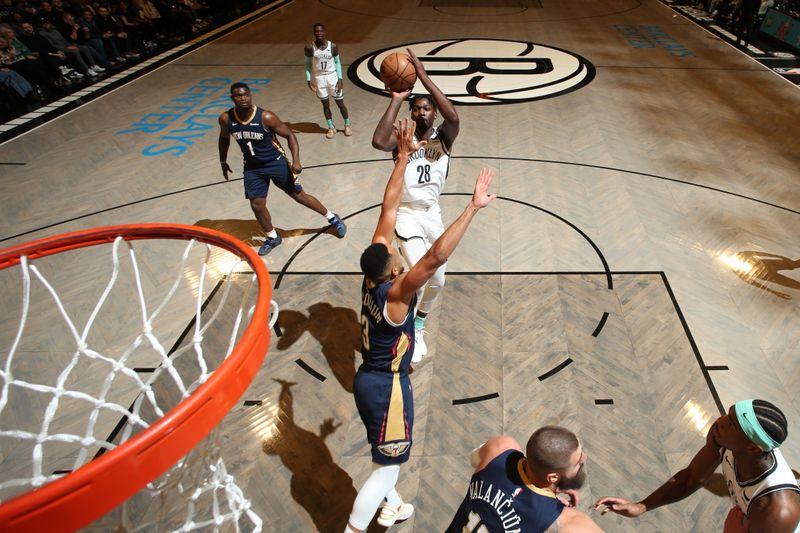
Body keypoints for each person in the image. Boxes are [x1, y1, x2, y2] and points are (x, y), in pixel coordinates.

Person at [346, 118, 495, 533]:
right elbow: (433, 258)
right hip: (387, 387)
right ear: (392, 266)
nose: (395, 250)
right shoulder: (396, 294)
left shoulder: (372, 270)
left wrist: (402, 159)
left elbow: (388, 208)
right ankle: (354, 529)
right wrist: (472, 208)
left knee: (384, 458)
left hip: (366, 379)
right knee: (387, 470)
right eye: (395, 252)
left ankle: (392, 507)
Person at [371, 48, 459, 363]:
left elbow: (454, 116)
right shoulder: (403, 138)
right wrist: (396, 98)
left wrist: (423, 76)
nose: (422, 112)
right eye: (417, 108)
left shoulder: (443, 139)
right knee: (424, 278)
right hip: (406, 215)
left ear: (433, 113)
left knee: (439, 281)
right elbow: (379, 142)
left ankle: (419, 319)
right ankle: (408, 327)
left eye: (426, 108)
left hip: (432, 215)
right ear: (411, 114)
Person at [595, 399, 800, 532]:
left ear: (753, 449)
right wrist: (641, 506)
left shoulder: (778, 510)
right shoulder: (726, 440)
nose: (720, 421)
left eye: (731, 424)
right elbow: (690, 479)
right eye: (728, 415)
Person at [217, 82, 347, 256]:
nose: (243, 98)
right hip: (252, 167)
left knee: (299, 196)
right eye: (239, 95)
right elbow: (224, 138)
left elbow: (290, 135)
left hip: (275, 162)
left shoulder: (266, 117)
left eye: (246, 94)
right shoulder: (226, 119)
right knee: (257, 204)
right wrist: (222, 161)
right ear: (232, 98)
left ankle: (332, 217)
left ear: (250, 95)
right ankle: (272, 237)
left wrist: (296, 161)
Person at [446, 427, 604, 532]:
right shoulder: (569, 523)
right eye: (578, 460)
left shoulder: (500, 447)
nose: (585, 458)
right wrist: (630, 508)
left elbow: (474, 459)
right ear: (552, 477)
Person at [304, 22, 351, 139]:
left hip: (332, 76)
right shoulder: (309, 47)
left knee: (340, 103)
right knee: (325, 105)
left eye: (321, 31)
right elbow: (307, 64)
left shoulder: (333, 46)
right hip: (319, 78)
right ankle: (331, 127)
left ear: (324, 32)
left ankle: (347, 125)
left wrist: (340, 78)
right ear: (314, 33)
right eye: (316, 31)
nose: (319, 33)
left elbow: (337, 62)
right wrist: (309, 80)